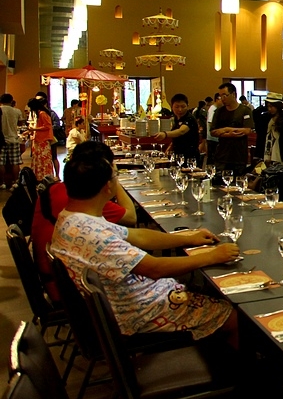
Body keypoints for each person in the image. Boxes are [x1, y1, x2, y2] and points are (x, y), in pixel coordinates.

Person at [50, 148, 239, 344]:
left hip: (130, 301)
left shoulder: (73, 218)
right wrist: (212, 256)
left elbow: (139, 235)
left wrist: (188, 238)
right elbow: (155, 268)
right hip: (139, 313)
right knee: (233, 316)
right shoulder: (92, 234)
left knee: (211, 291)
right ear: (107, 186)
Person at [31, 141, 137, 302]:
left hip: (54, 276)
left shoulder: (58, 189)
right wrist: (113, 180)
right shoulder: (84, 199)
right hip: (70, 291)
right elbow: (131, 218)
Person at [210, 82, 253, 175]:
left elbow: (247, 130)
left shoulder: (245, 110)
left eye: (225, 95)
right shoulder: (219, 112)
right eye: (220, 96)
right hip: (222, 155)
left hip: (239, 156)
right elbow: (213, 131)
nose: (222, 98)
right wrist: (229, 134)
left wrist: (225, 129)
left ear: (233, 94)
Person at [154, 93, 200, 162]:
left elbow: (181, 131)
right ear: (172, 107)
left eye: (183, 107)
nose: (180, 110)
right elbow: (177, 137)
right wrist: (170, 147)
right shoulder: (176, 118)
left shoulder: (189, 118)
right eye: (177, 107)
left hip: (190, 156)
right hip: (178, 154)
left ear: (187, 106)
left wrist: (165, 134)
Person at [25, 96, 55, 180]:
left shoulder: (42, 114)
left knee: (43, 159)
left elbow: (47, 126)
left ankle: (43, 176)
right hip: (38, 139)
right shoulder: (39, 113)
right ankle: (39, 176)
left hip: (43, 140)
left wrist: (34, 129)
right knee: (39, 159)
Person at [263, 92, 283, 164]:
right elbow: (256, 114)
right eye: (268, 106)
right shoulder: (266, 117)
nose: (269, 109)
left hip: (281, 150)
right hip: (268, 147)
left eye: (272, 106)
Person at [1, 93, 23, 189]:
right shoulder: (16, 111)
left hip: (1, 139)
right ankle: (15, 182)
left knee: (1, 162)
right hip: (13, 138)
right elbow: (20, 123)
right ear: (11, 101)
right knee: (15, 162)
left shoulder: (0, 110)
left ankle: (2, 183)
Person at [205, 93, 221, 164]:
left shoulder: (217, 109)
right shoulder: (213, 109)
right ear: (217, 99)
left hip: (215, 138)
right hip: (212, 138)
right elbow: (211, 123)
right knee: (212, 159)